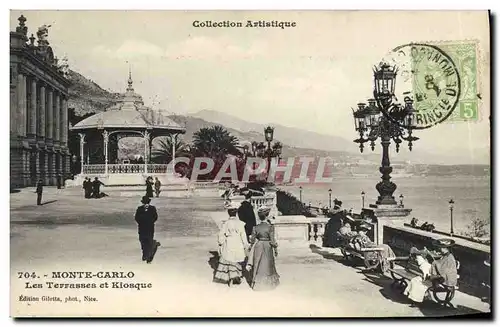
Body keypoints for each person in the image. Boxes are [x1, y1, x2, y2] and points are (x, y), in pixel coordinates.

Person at [213, 203, 249, 287]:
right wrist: (245, 244)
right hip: (237, 243)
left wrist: (221, 242)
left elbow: (221, 234)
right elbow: (243, 235)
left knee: (229, 260)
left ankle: (231, 277)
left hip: (229, 242)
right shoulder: (240, 224)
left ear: (228, 213)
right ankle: (236, 277)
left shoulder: (226, 224)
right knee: (236, 260)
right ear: (236, 213)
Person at [246, 206, 280, 291]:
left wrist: (250, 248)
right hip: (267, 246)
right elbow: (272, 240)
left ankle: (256, 283)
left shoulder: (255, 227)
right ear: (267, 215)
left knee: (257, 264)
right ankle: (268, 285)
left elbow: (252, 240)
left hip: (258, 245)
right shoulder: (270, 227)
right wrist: (275, 249)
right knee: (268, 264)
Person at [134, 196, 159, 263]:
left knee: (149, 240)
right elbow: (136, 217)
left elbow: (155, 217)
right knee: (142, 241)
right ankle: (145, 253)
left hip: (149, 227)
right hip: (142, 227)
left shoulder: (152, 208)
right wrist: (141, 222)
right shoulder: (139, 209)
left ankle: (148, 255)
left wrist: (150, 222)